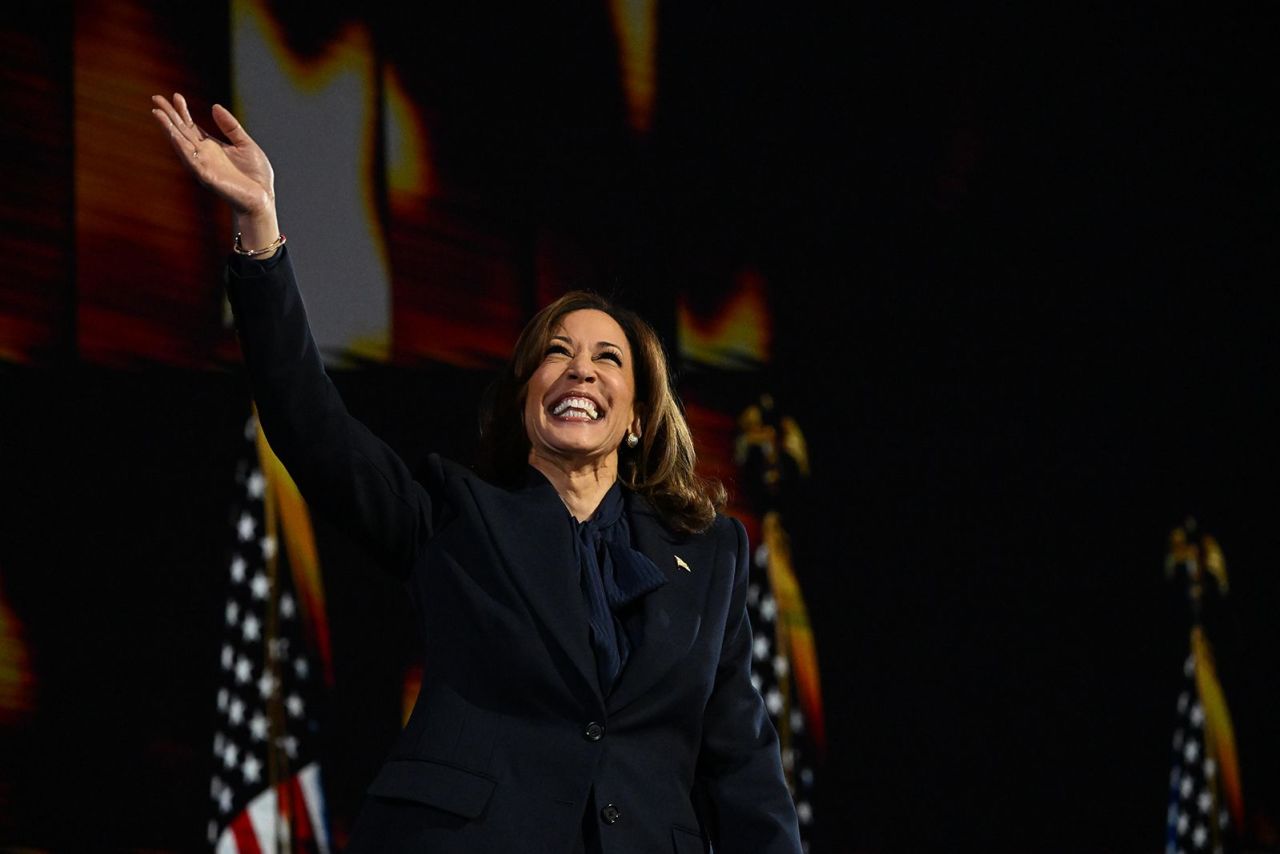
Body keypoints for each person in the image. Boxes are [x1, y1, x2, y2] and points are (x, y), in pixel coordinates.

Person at [150, 92, 803, 854]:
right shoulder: (456, 516)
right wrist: (261, 232)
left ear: (637, 419)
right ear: (527, 400)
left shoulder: (711, 558)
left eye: (607, 358)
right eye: (556, 354)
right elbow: (313, 428)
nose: (579, 370)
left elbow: (745, 771)